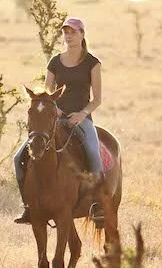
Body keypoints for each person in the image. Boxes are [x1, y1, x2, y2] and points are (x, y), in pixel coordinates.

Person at [13, 15, 105, 225]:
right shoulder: (55, 61)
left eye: (73, 32)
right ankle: (28, 206)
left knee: (92, 152)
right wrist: (58, 113)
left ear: (82, 34)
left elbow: (97, 99)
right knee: (19, 158)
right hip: (55, 119)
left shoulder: (92, 63)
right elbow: (47, 94)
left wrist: (81, 114)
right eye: (66, 32)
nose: (69, 35)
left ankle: (97, 204)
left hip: (81, 119)